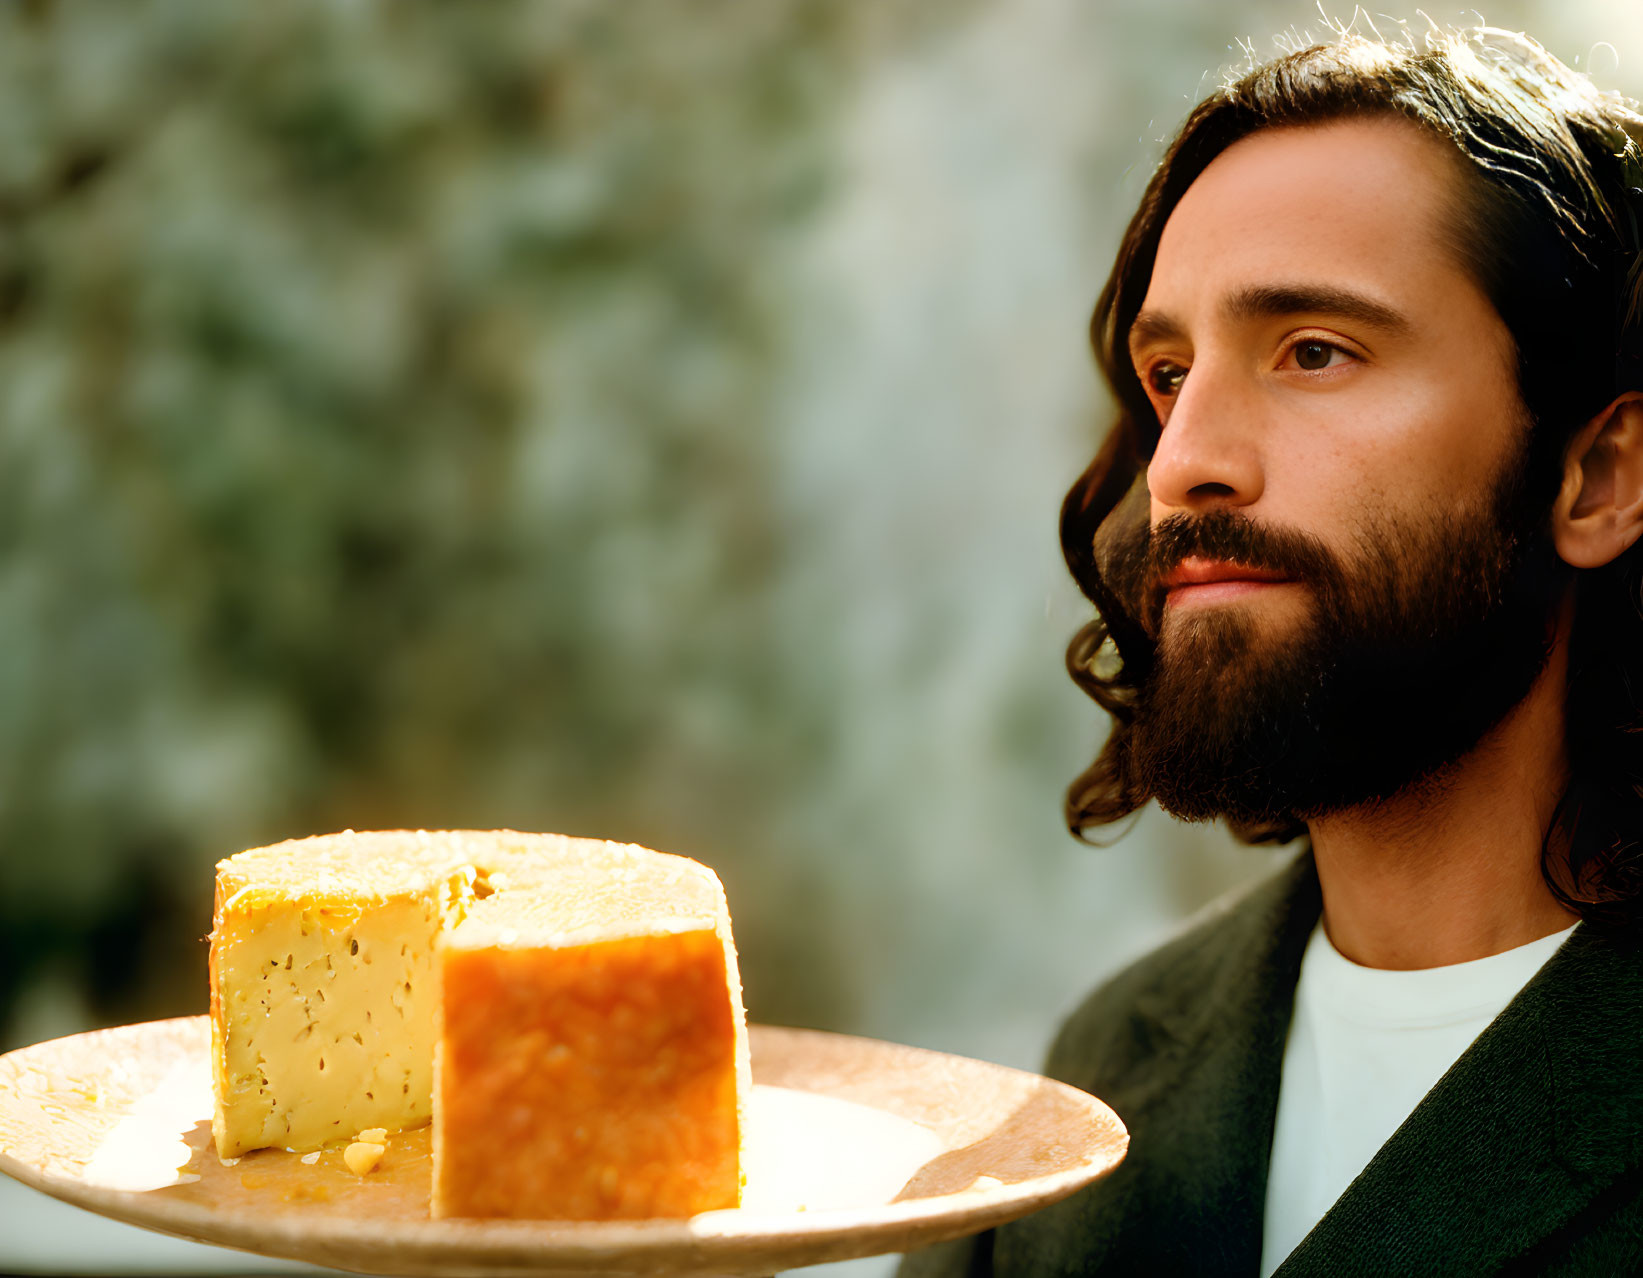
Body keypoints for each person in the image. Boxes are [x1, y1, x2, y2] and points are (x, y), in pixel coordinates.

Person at [902, 25, 1643, 1277]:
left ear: (1596, 477)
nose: (1182, 460)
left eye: (1312, 351)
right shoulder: (1098, 1077)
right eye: (1166, 373)